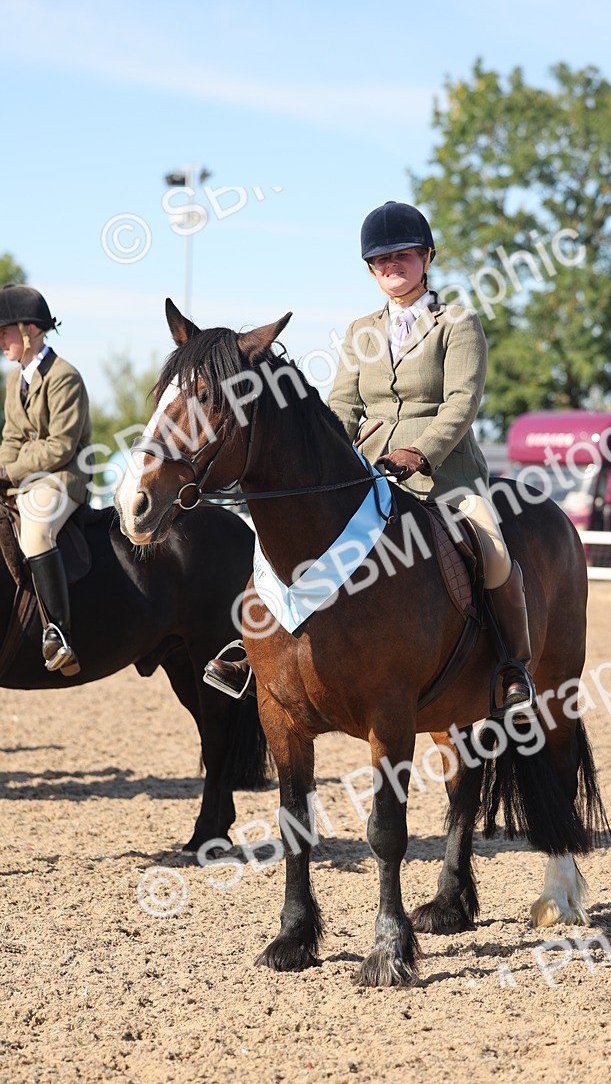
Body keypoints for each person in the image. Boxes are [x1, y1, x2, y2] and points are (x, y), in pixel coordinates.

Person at [206, 201, 535, 715]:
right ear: (370, 270)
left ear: (427, 257)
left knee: (492, 552)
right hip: (368, 475)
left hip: (445, 476)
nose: (392, 265)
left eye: (402, 255)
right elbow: (342, 404)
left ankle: (513, 664)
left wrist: (420, 451)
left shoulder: (458, 322)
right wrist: (327, 455)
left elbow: (462, 402)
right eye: (381, 260)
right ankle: (253, 651)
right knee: (285, 543)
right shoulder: (362, 329)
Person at [0, 285, 92, 675]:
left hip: (63, 477)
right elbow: (11, 437)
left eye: (4, 330)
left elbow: (60, 445)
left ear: (29, 330)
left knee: (36, 530)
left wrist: (10, 471)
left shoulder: (64, 376)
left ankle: (58, 632)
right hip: (27, 476)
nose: (0, 339)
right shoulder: (14, 380)